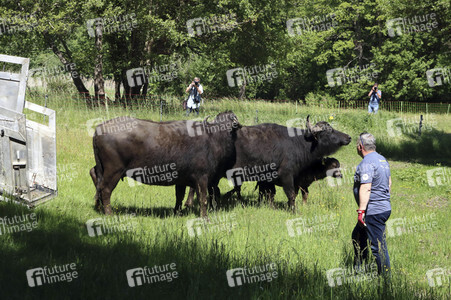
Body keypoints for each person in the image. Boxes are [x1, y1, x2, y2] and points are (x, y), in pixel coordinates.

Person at [352, 132, 392, 276]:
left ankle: (386, 280)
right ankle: (358, 270)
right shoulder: (382, 159)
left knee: (378, 246)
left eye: (357, 145)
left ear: (360, 146)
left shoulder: (367, 162)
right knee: (357, 235)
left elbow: (366, 186)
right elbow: (389, 183)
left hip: (373, 211)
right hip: (382, 207)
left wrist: (361, 211)